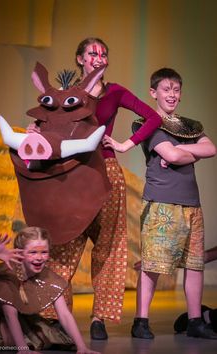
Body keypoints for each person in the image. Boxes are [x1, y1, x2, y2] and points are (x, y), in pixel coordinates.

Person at [33, 37, 162, 340]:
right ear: (80, 59)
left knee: (108, 249)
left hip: (106, 173)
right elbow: (46, 124)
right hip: (73, 177)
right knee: (65, 246)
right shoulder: (67, 94)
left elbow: (153, 117)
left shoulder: (114, 92)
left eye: (104, 53)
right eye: (93, 53)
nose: (100, 57)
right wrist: (34, 130)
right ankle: (55, 317)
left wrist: (125, 144)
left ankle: (98, 318)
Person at [104, 67, 217, 340]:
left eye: (176, 90)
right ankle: (141, 320)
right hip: (161, 202)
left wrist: (184, 150)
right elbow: (171, 155)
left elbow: (210, 149)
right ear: (154, 93)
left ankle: (194, 321)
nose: (172, 95)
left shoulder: (190, 125)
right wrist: (187, 153)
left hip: (192, 203)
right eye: (166, 89)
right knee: (152, 264)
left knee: (194, 264)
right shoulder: (147, 123)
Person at [0, 226, 100, 354]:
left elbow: (65, 315)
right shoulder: (9, 272)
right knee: (3, 334)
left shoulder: (48, 276)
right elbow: (10, 314)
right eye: (32, 252)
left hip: (13, 316)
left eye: (44, 252)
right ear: (20, 253)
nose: (39, 257)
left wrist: (82, 347)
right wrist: (23, 350)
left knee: (47, 334)